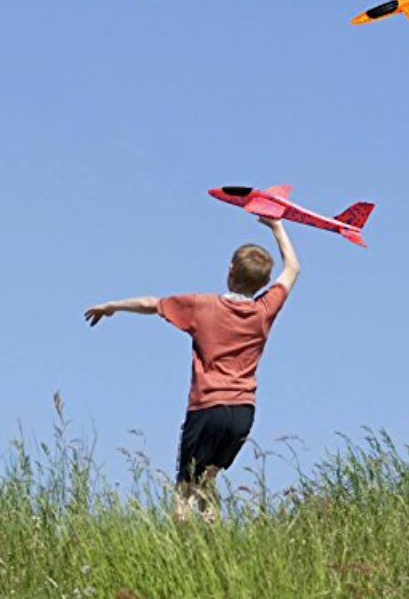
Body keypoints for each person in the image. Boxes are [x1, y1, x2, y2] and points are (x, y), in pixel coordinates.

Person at [84, 218, 300, 520]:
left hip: (207, 408)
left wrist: (112, 306)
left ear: (230, 272)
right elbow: (292, 268)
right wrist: (277, 227)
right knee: (207, 480)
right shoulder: (264, 311)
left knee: (184, 488)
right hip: (242, 413)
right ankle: (211, 541)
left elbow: (151, 303)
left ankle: (184, 548)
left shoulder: (202, 307)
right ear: (263, 283)